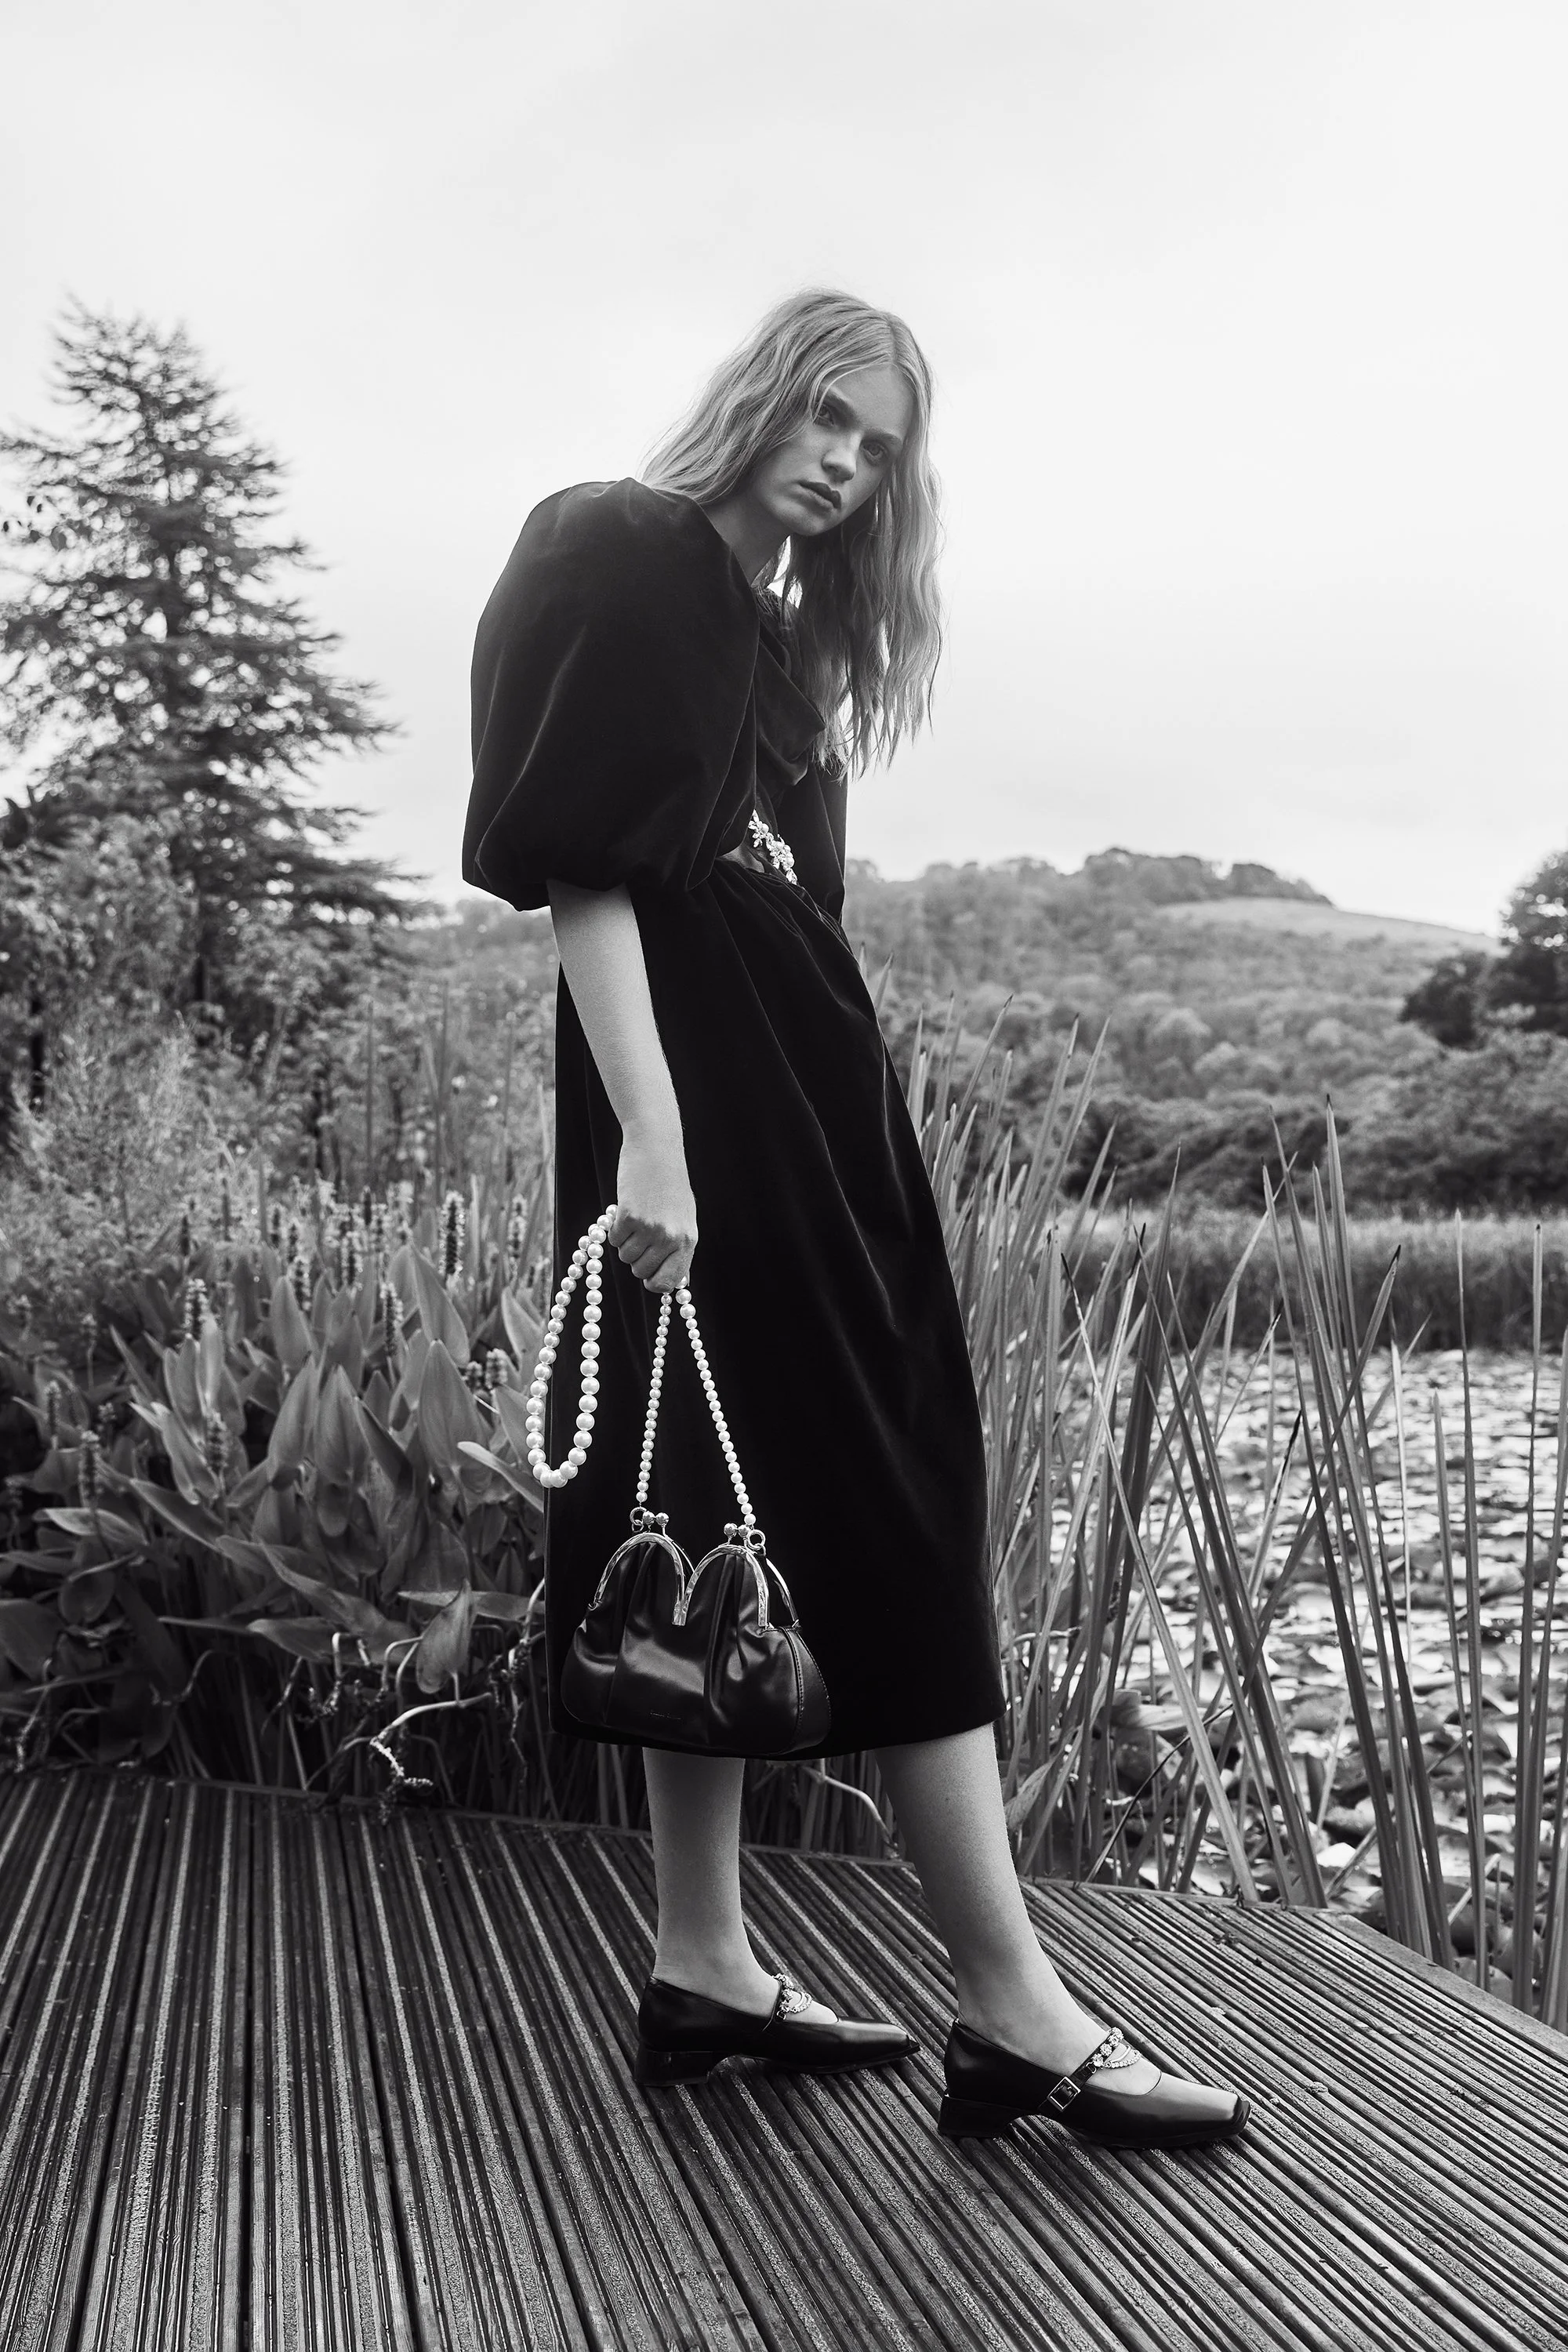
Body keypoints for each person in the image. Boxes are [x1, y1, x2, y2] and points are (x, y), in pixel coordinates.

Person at [463, 289, 1247, 2149]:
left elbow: (772, 907)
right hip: (705, 1116)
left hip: (812, 1109)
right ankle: (1013, 2009)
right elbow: (589, 879)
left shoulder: (787, 648)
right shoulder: (621, 547)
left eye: (877, 443)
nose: (840, 460)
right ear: (755, 397)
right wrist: (656, 1143)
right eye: (822, 415)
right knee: (890, 1521)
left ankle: (704, 1964)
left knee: (707, 1518)